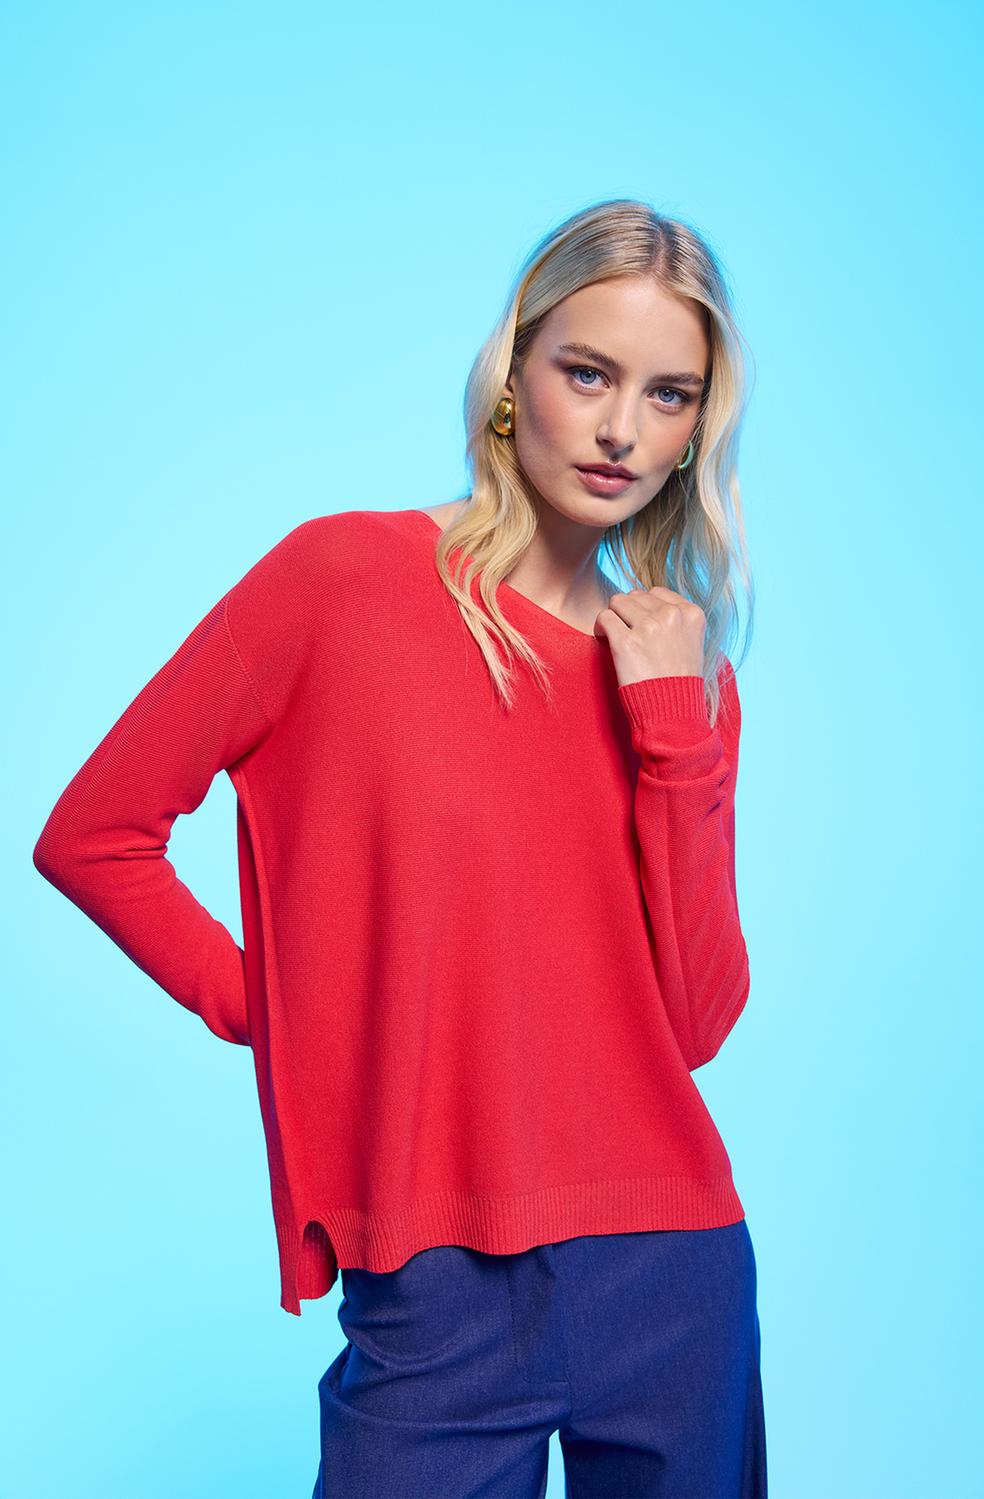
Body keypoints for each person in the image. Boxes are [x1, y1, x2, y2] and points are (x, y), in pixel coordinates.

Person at [33, 196, 766, 1497]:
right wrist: (268, 1002)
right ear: (514, 371)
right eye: (587, 372)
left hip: (673, 1273)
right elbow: (95, 835)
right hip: (435, 1288)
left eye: (668, 396)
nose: (620, 429)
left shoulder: (683, 678)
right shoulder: (341, 583)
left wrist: (673, 725)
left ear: (695, 430)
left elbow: (698, 1022)